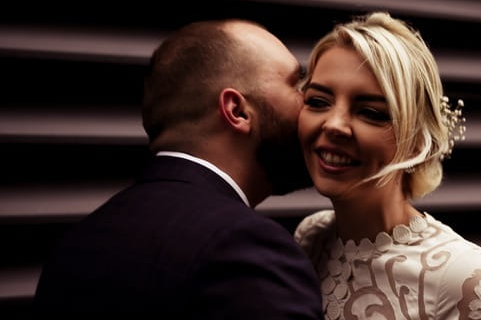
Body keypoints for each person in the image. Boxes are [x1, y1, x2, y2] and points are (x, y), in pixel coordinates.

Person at [34, 19, 324, 318]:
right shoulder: (245, 246)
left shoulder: (80, 241)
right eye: (296, 83)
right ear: (237, 111)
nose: (311, 102)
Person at [294, 12, 481, 320]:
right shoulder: (311, 237)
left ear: (419, 141)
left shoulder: (463, 277)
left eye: (371, 112)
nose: (334, 125)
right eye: (318, 102)